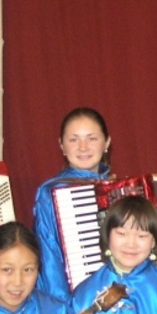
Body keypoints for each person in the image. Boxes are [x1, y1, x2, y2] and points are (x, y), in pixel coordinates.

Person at [34, 106, 113, 303]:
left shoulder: (119, 189)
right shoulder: (50, 193)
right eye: (73, 140)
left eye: (92, 138)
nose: (83, 147)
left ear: (106, 143)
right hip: (75, 300)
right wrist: (65, 309)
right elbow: (49, 257)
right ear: (62, 146)